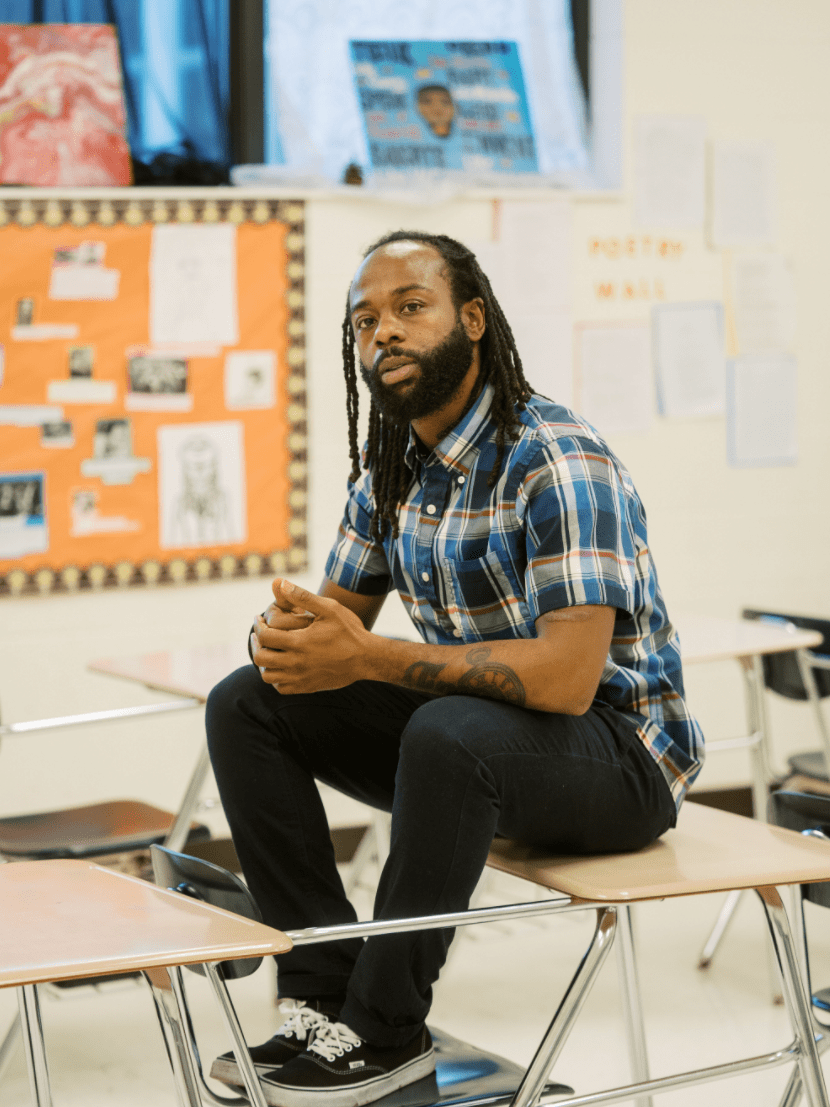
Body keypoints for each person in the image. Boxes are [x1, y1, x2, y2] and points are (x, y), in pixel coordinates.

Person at [206, 231, 704, 1107]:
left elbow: (567, 681)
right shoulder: (392, 471)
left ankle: (386, 1031)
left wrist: (366, 655)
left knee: (446, 732)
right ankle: (321, 997)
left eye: (410, 307)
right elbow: (335, 634)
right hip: (485, 746)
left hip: (621, 758)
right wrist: (283, 640)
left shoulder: (556, 459)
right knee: (248, 702)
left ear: (472, 321)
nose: (383, 334)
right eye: (365, 320)